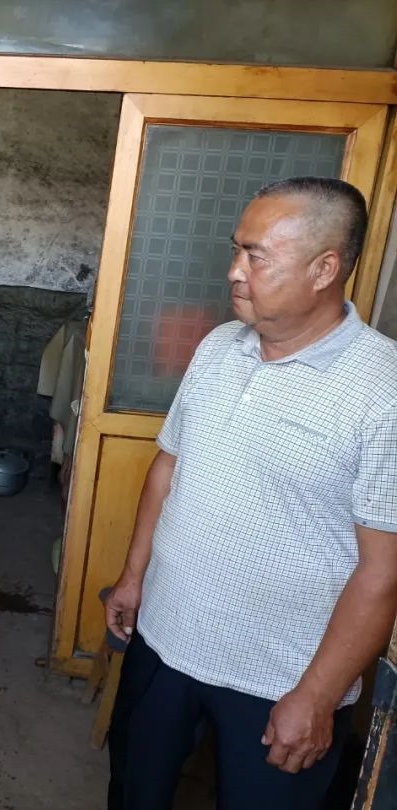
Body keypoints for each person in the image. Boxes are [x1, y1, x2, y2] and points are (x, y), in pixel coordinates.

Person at [104, 177, 397, 810]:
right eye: (236, 250)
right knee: (132, 788)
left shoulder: (383, 389)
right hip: (164, 637)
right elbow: (168, 467)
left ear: (324, 268)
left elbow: (383, 571)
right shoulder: (218, 347)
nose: (234, 271)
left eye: (256, 256)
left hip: (279, 678)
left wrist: (318, 695)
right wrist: (133, 577)